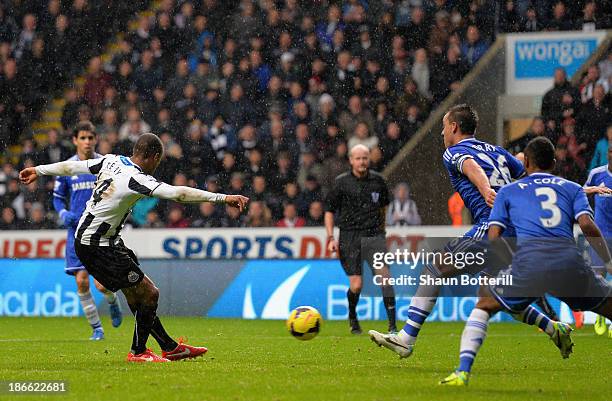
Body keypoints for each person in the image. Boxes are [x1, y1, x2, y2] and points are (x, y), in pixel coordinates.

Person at [20, 133, 249, 362]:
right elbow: (178, 194)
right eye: (158, 161)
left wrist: (38, 170)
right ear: (154, 157)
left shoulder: (112, 160)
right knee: (150, 293)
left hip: (101, 240)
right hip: (97, 245)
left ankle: (168, 347)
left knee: (139, 295)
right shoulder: (136, 178)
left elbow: (73, 167)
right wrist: (222, 197)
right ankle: (138, 352)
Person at [369, 105, 565, 363]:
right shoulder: (497, 151)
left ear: (453, 127)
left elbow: (471, 167)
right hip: (517, 232)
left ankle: (406, 338)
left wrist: (485, 190)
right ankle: (554, 328)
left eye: (443, 126)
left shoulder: (454, 152)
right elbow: (529, 176)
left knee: (435, 267)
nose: (441, 132)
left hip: (491, 227)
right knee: (494, 295)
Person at [441, 136, 612, 385]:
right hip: (570, 265)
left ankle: (462, 371)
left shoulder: (508, 191)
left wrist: (504, 268)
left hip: (529, 266)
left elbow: (495, 236)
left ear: (527, 162)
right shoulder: (571, 188)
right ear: (554, 162)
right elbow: (587, 225)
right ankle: (555, 326)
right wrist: (606, 262)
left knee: (485, 303)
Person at [52, 121, 122, 340]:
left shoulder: (106, 165)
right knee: (82, 281)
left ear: (96, 139)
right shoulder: (66, 168)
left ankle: (112, 301)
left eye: (90, 137)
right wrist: (63, 214)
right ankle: (97, 329)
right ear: (75, 140)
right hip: (75, 232)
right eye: (82, 137)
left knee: (101, 284)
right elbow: (57, 198)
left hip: (99, 231)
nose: (87, 142)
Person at [325, 144, 396, 334]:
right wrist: (331, 237)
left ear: (369, 159)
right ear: (351, 160)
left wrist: (381, 232)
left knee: (385, 279)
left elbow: (384, 207)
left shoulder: (378, 181)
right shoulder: (341, 182)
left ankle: (393, 326)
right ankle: (353, 317)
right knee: (356, 285)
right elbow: (329, 211)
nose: (362, 162)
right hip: (349, 237)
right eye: (358, 158)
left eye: (365, 158)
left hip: (374, 237)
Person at [582, 142, 612, 336]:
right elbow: (581, 192)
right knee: (598, 275)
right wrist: (593, 191)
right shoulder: (597, 173)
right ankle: (602, 313)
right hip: (600, 233)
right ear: (608, 154)